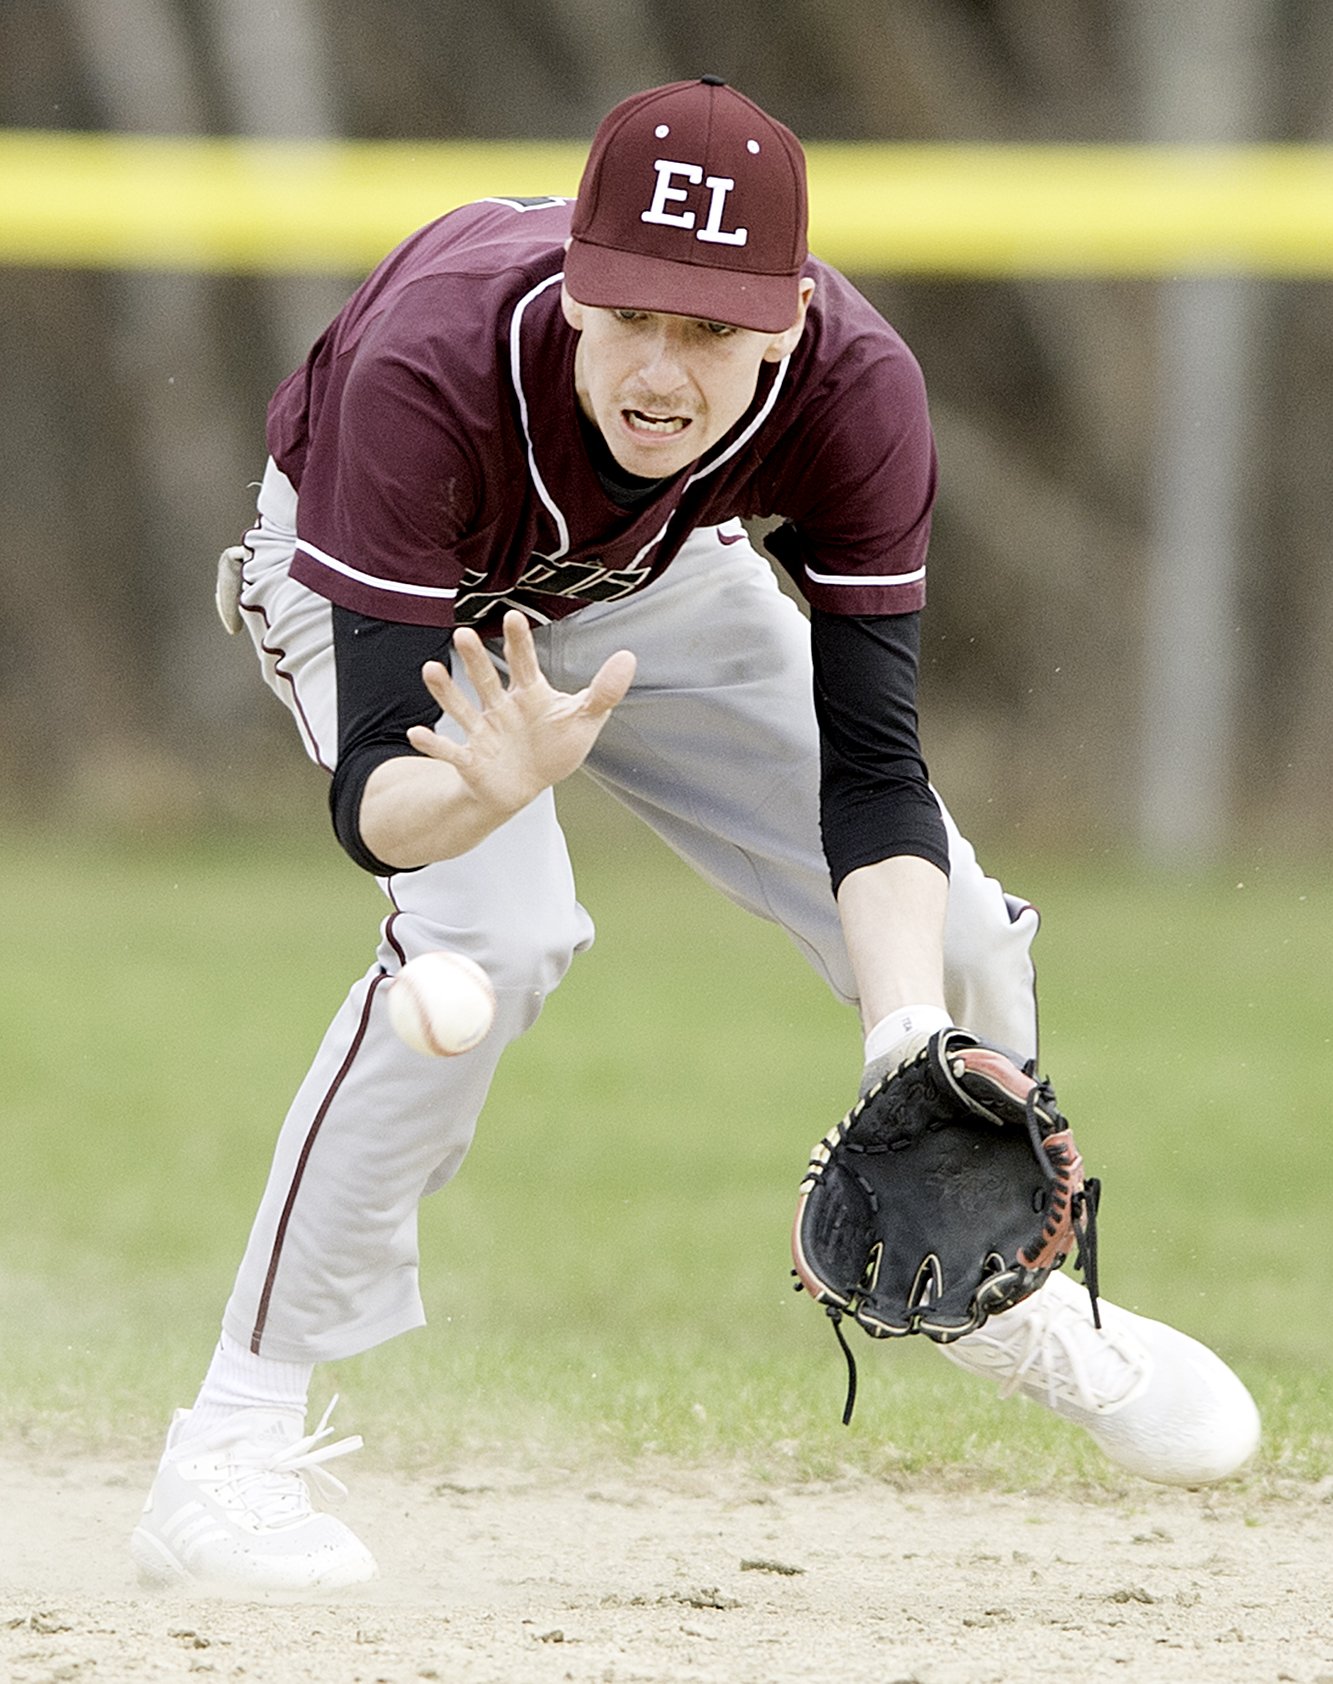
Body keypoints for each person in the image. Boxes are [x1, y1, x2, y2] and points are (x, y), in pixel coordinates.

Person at [131, 78, 1259, 1593]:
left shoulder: (857, 391)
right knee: (492, 943)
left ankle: (991, 1279)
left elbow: (874, 775)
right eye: (631, 315)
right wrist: (484, 790)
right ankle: (231, 1444)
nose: (663, 371)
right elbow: (377, 813)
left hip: (650, 576)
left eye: (715, 329)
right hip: (388, 580)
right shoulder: (431, 364)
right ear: (572, 286)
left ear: (789, 320)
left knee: (960, 940)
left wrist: (904, 1038)